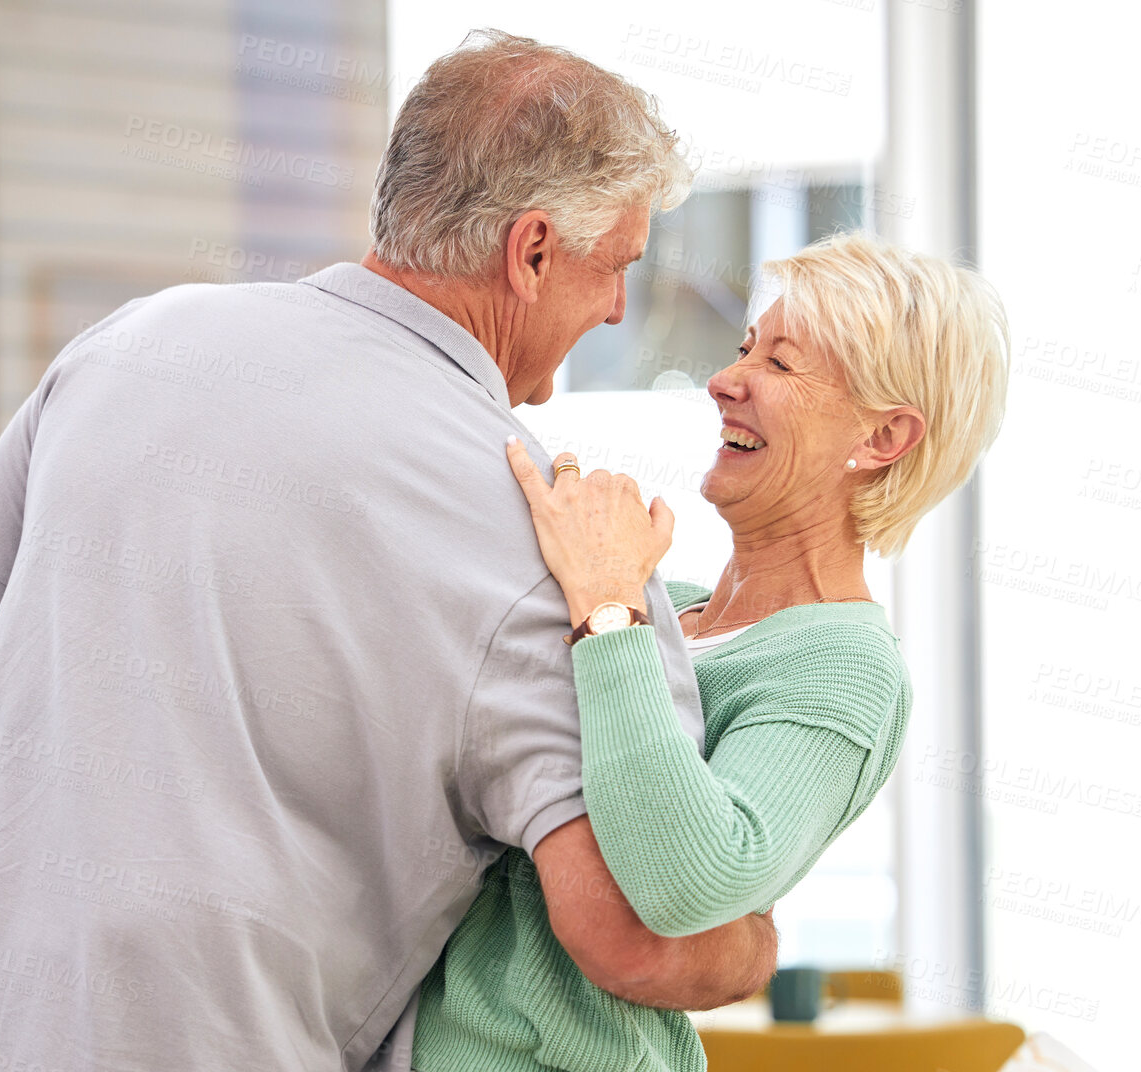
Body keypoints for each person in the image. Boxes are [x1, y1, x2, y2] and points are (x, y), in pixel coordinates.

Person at [0, 31, 776, 1072]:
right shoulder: (551, 531)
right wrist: (750, 942)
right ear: (529, 252)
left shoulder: (130, 343)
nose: (619, 305)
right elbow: (630, 934)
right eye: (615, 264)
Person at [409, 232, 1010, 1072]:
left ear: (881, 440)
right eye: (741, 350)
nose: (724, 381)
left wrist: (609, 605)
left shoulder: (844, 664)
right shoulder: (669, 605)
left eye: (782, 365)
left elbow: (688, 881)